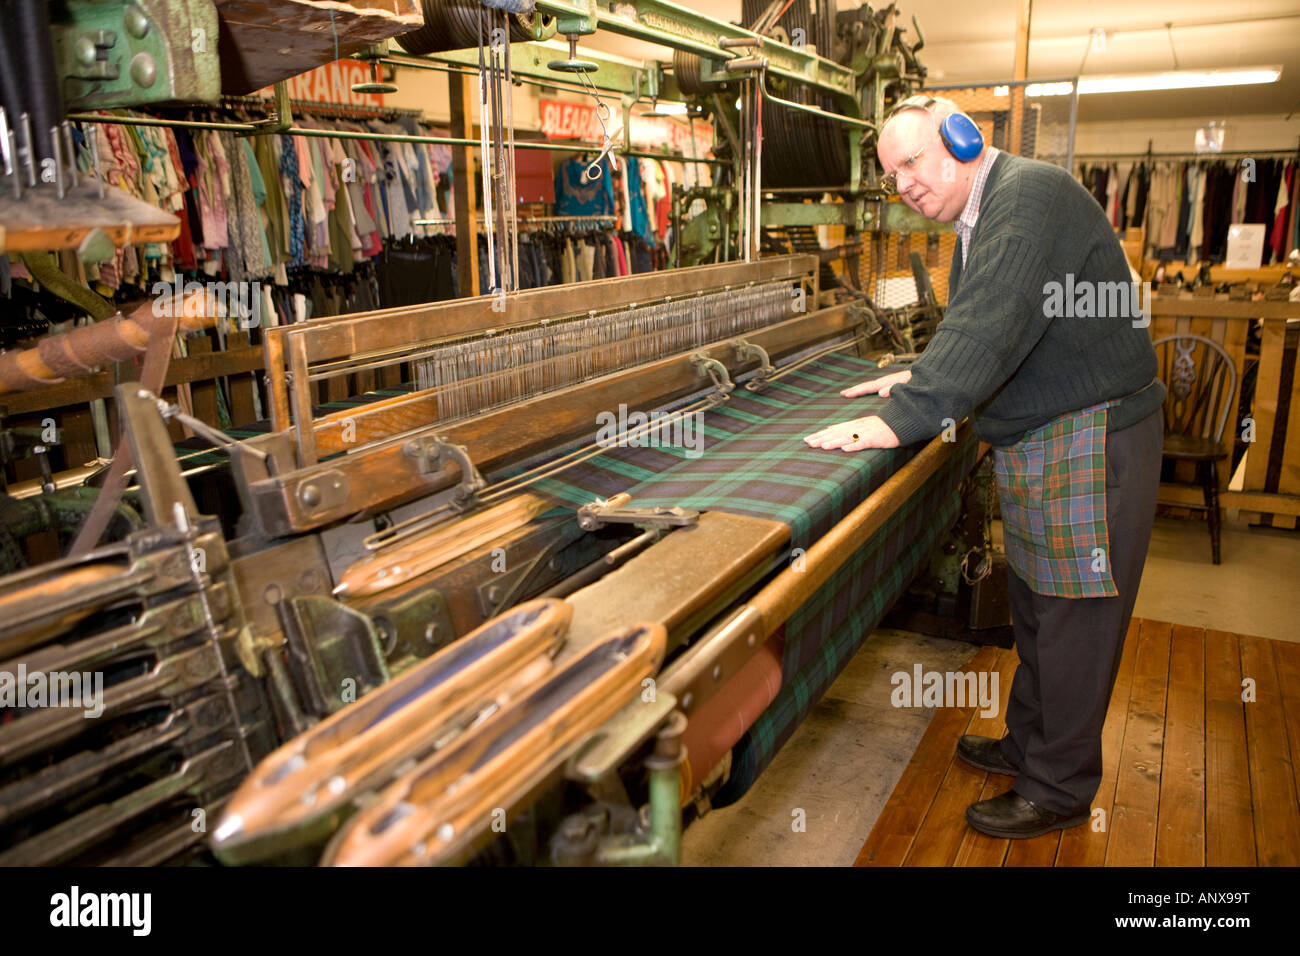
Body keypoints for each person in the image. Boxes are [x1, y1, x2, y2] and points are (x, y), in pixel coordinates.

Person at [803, 96, 1166, 839]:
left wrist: (901, 418)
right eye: (890, 173)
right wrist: (914, 378)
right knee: (1037, 611)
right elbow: (994, 325)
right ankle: (1028, 747)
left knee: (1075, 623)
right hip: (1052, 437)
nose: (901, 184)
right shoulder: (981, 215)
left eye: (911, 162)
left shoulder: (1029, 196)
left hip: (1093, 441)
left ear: (963, 143)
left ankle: (1059, 788)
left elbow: (993, 318)